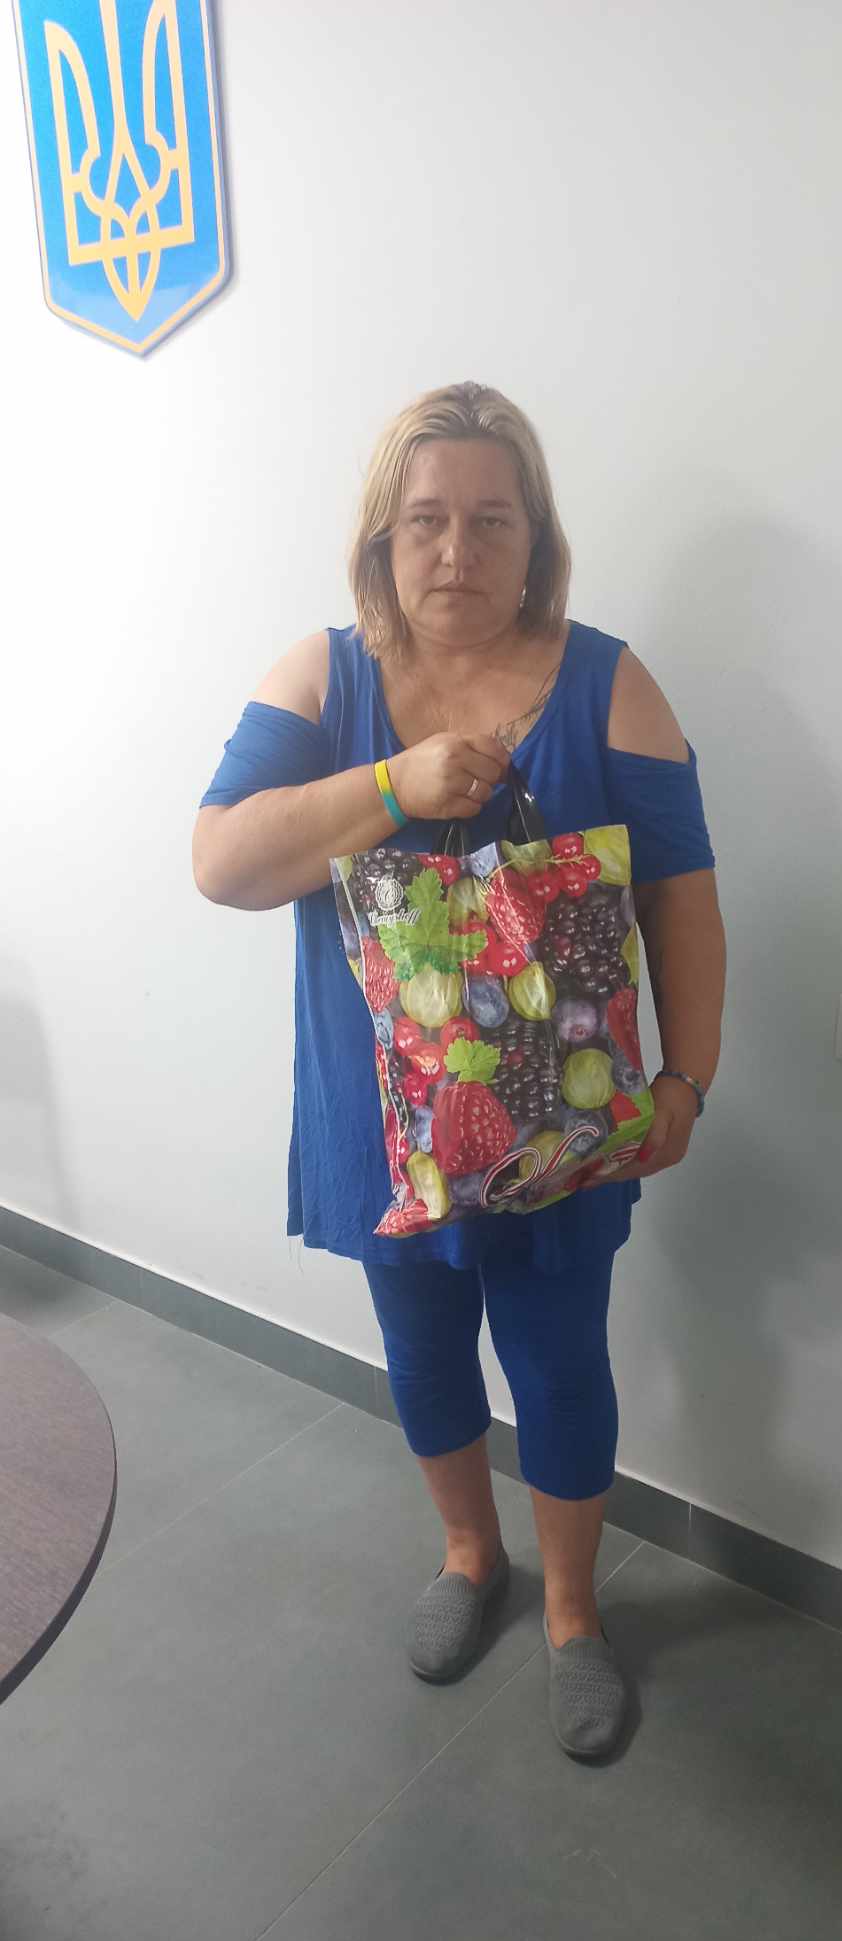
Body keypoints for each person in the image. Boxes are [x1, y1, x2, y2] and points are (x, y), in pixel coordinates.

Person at [193, 381, 726, 1760]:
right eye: (426, 518)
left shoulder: (610, 683)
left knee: (558, 1360)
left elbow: (682, 895)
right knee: (422, 1348)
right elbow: (224, 862)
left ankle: (571, 1615)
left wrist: (689, 1078)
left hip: (569, 1119)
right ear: (381, 537)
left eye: (493, 519)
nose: (456, 549)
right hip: (381, 1120)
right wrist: (391, 785)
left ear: (536, 538)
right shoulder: (323, 679)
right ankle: (467, 1556)